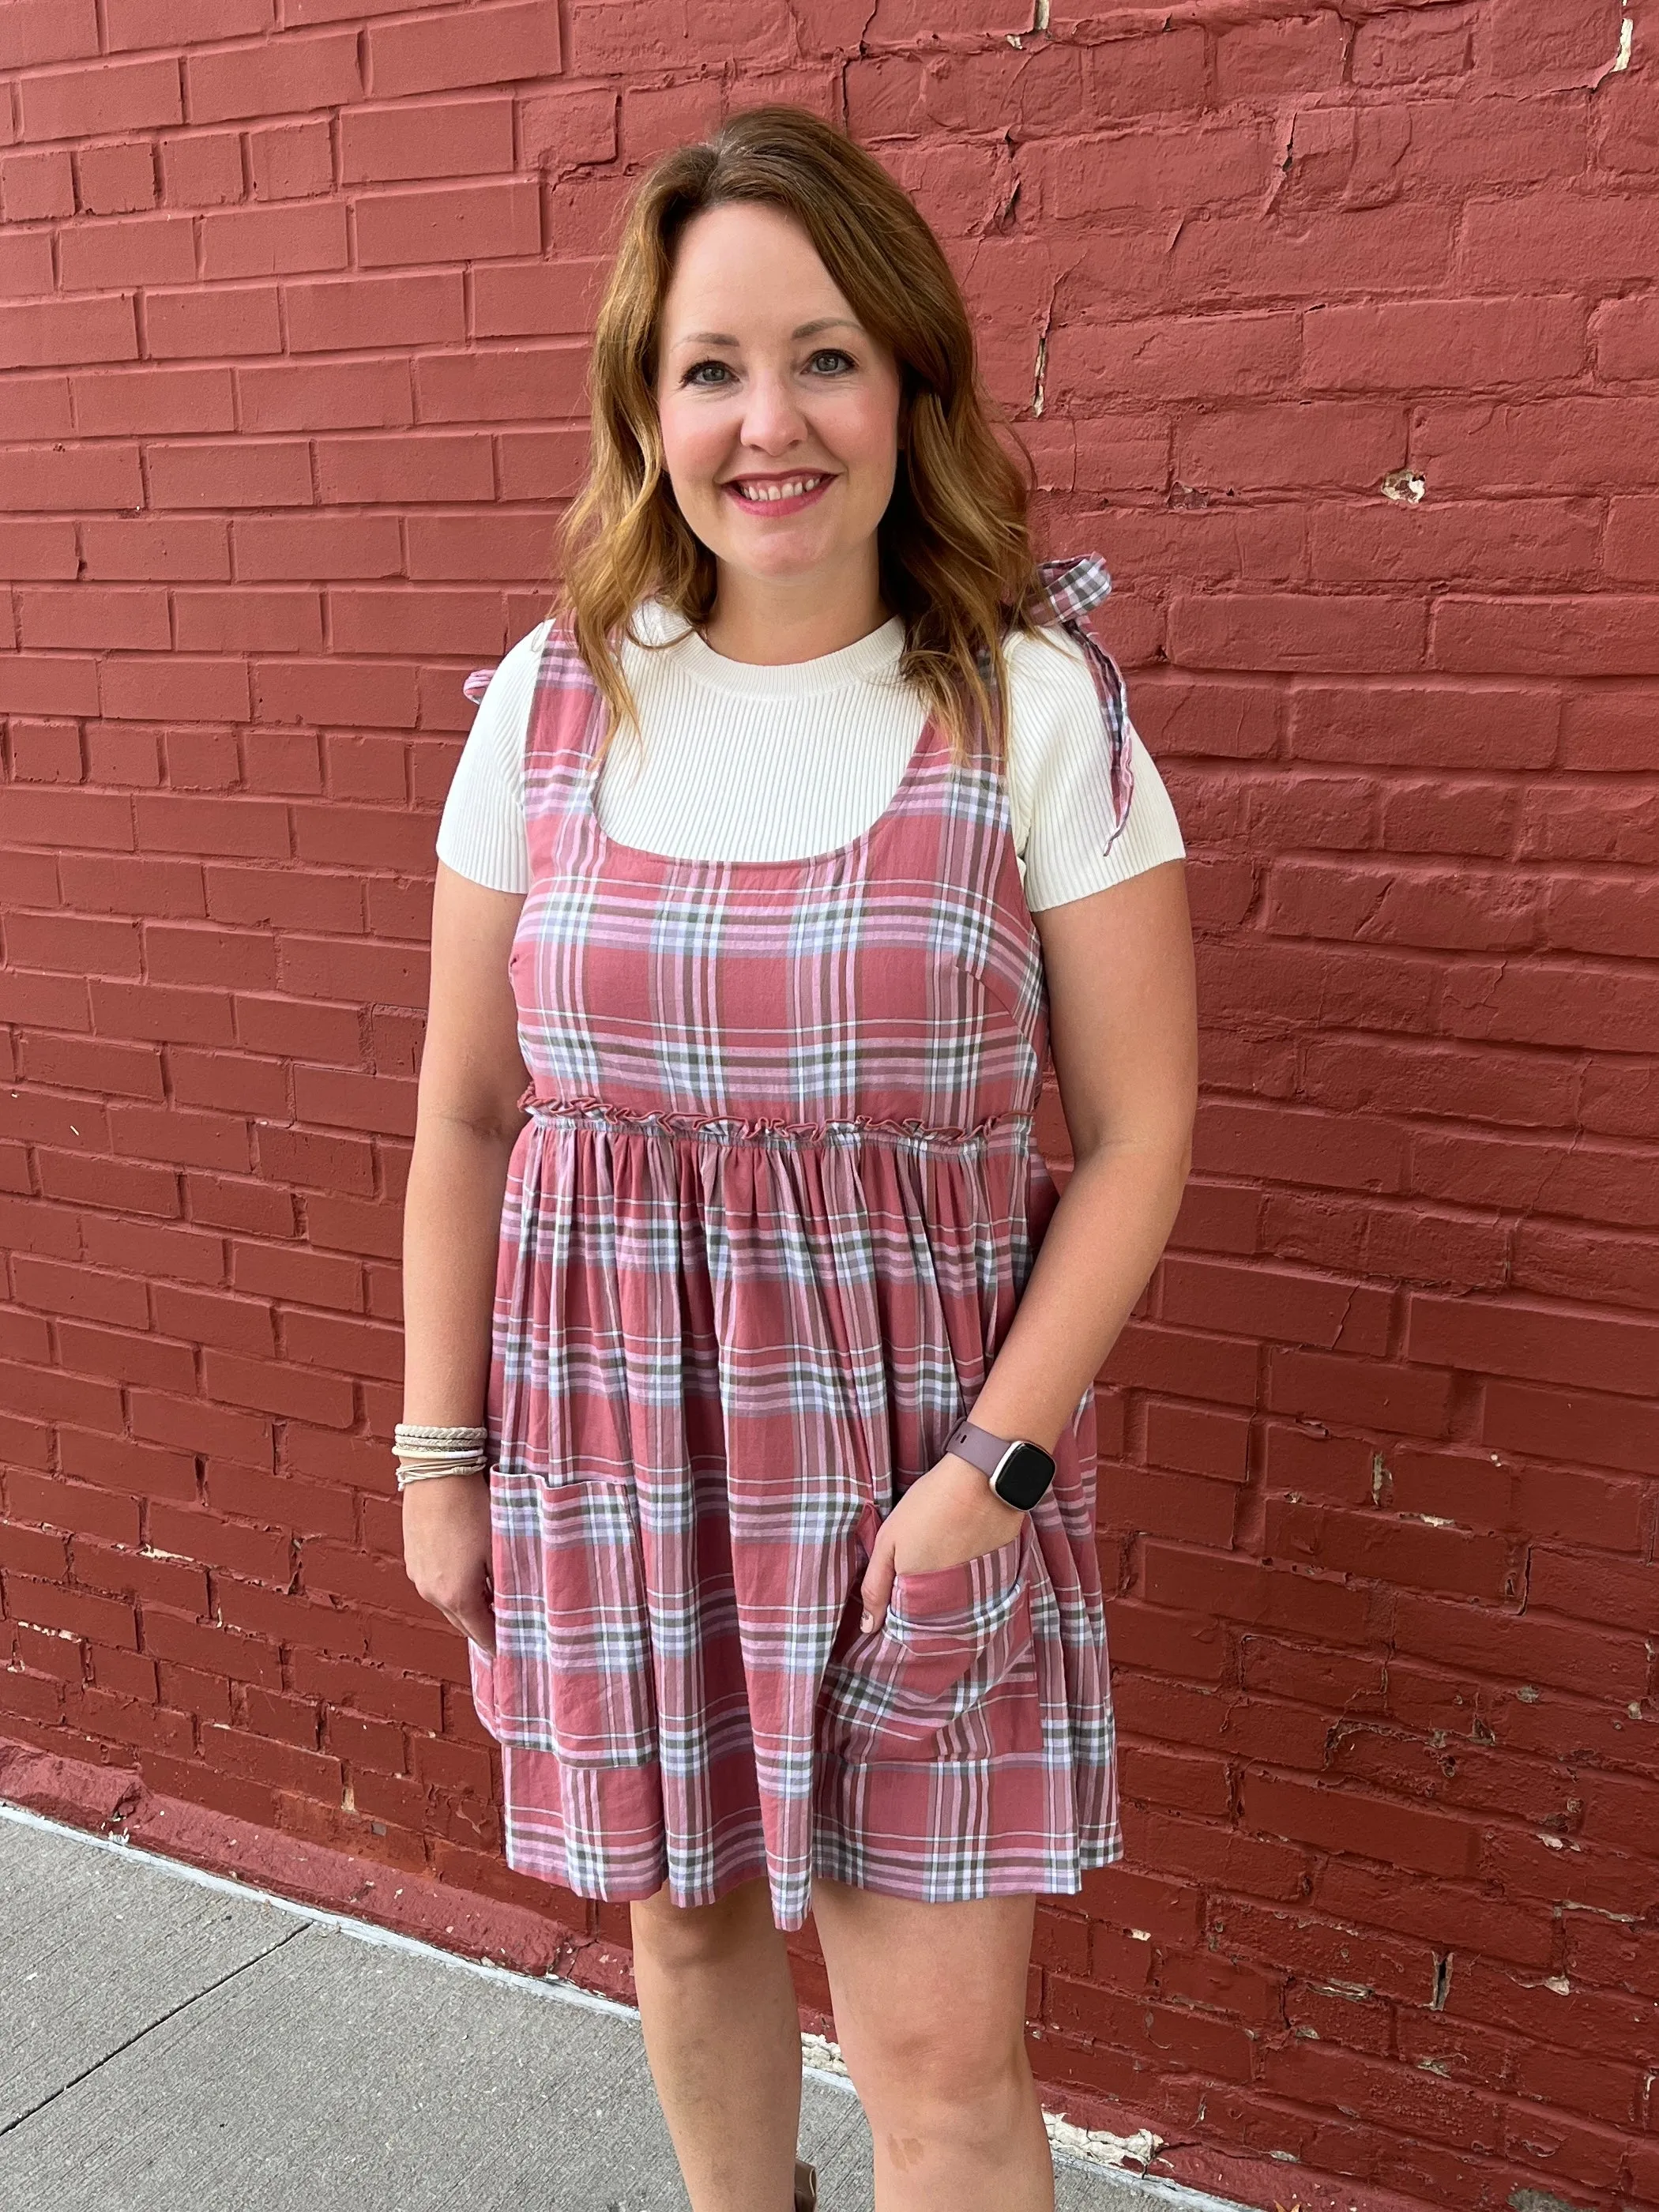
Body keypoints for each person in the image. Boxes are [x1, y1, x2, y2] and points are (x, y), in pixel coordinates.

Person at [398, 105, 1197, 2212]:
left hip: (913, 1465)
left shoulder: (1027, 705)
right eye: (712, 367)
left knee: (940, 2061)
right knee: (678, 1925)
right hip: (614, 1449)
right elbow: (467, 1110)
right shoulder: (550, 706)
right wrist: (437, 1454)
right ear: (644, 407)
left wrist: (986, 1482)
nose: (771, 421)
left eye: (825, 355)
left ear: (910, 378)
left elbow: (1135, 1137)